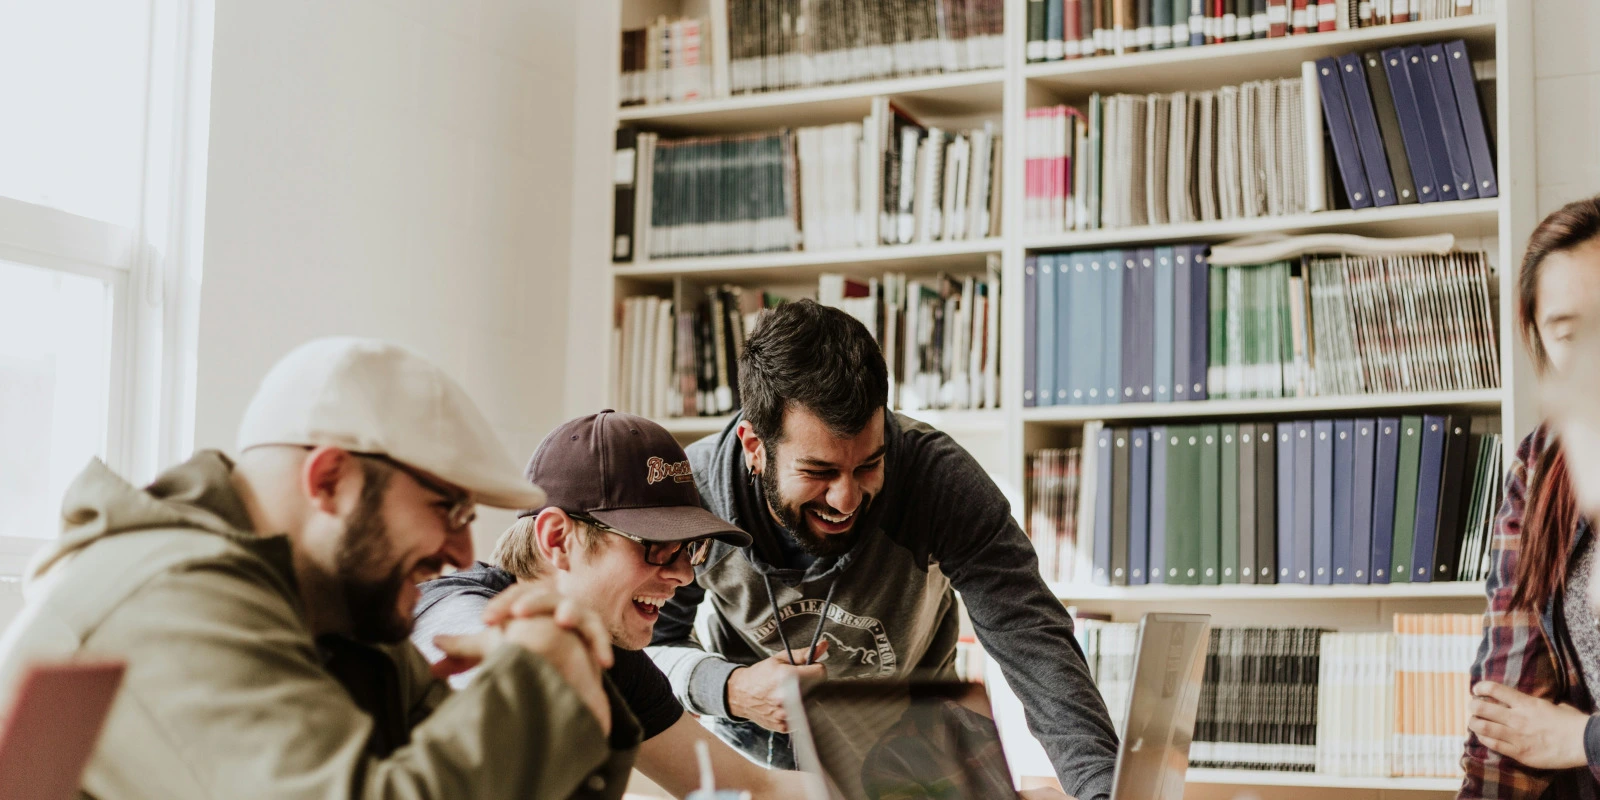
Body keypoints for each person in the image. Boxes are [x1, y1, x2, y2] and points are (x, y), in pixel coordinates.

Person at [0, 337, 635, 800]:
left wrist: (573, 673)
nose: (464, 554)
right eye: (448, 507)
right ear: (329, 479)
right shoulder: (172, 599)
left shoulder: (335, 612)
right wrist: (533, 680)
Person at [647, 299, 1119, 800]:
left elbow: (1032, 636)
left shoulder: (938, 479)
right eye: (819, 471)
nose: (846, 498)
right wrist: (730, 688)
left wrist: (1102, 789)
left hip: (919, 752)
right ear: (754, 446)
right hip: (757, 762)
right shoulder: (693, 498)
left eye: (868, 464)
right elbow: (645, 650)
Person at [412, 410, 807, 799]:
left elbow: (755, 788)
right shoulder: (456, 615)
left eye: (690, 549)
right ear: (557, 539)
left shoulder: (609, 651)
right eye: (656, 547)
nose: (685, 575)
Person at [1460, 196, 1600, 798]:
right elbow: (1507, 711)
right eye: (1571, 334)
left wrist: (1583, 741)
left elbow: (1559, 738)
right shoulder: (1545, 462)